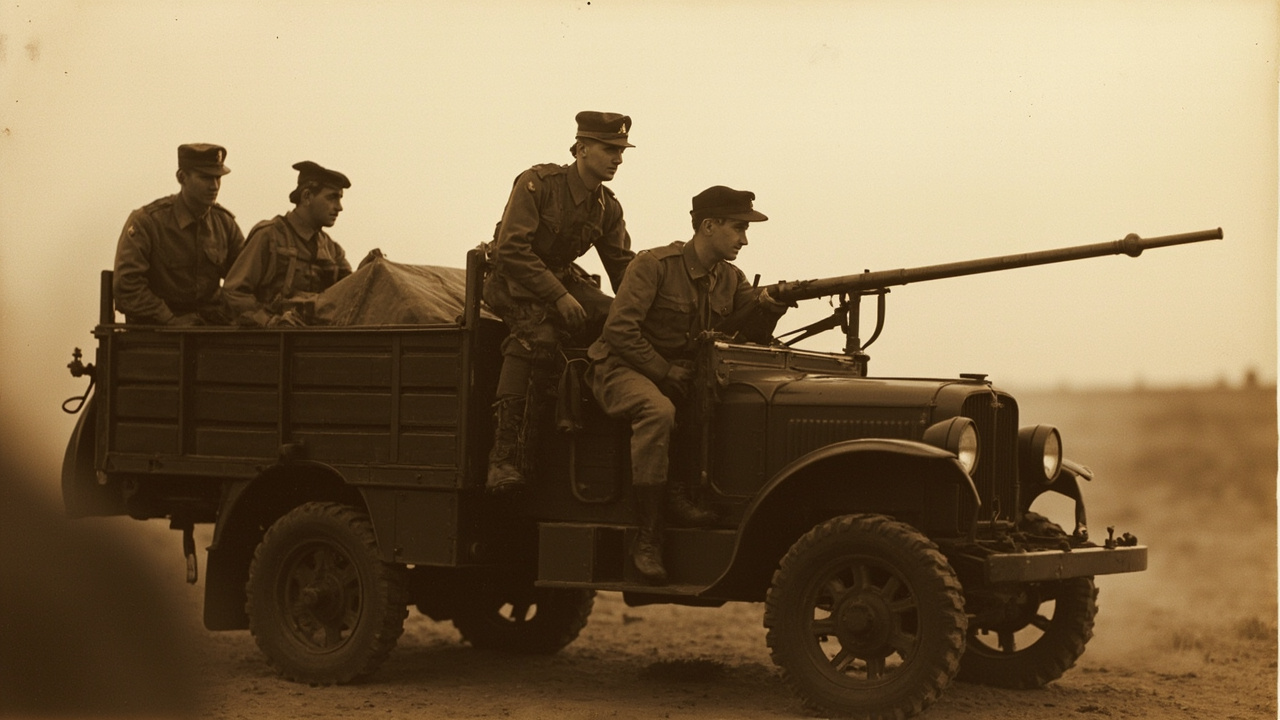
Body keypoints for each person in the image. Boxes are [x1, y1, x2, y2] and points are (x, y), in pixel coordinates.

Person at [585, 186, 790, 584]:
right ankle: (648, 537)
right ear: (708, 226)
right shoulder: (654, 265)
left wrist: (770, 308)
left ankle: (682, 492)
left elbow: (748, 334)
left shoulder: (730, 279)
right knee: (657, 411)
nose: (744, 240)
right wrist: (664, 371)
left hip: (677, 372)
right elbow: (620, 331)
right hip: (621, 366)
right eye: (738, 228)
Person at [483, 111, 637, 495]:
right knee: (538, 337)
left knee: (613, 318)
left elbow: (622, 268)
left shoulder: (607, 207)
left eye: (621, 151)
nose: (618, 158)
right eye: (609, 149)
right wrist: (559, 295)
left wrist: (644, 307)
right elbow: (511, 250)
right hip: (511, 281)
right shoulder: (538, 184)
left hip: (559, 278)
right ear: (581, 148)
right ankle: (503, 458)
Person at [112, 143, 244, 325]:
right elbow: (127, 287)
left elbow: (245, 280)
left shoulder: (225, 224)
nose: (214, 186)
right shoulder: (147, 223)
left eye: (217, 178)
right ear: (182, 177)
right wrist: (169, 319)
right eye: (205, 178)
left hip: (211, 329)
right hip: (157, 333)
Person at [223, 161, 353, 321]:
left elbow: (351, 291)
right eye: (332, 198)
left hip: (316, 334)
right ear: (307, 196)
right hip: (272, 335)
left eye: (339, 198)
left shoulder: (332, 249)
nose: (339, 207)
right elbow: (234, 292)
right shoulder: (269, 236)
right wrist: (268, 321)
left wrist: (368, 268)